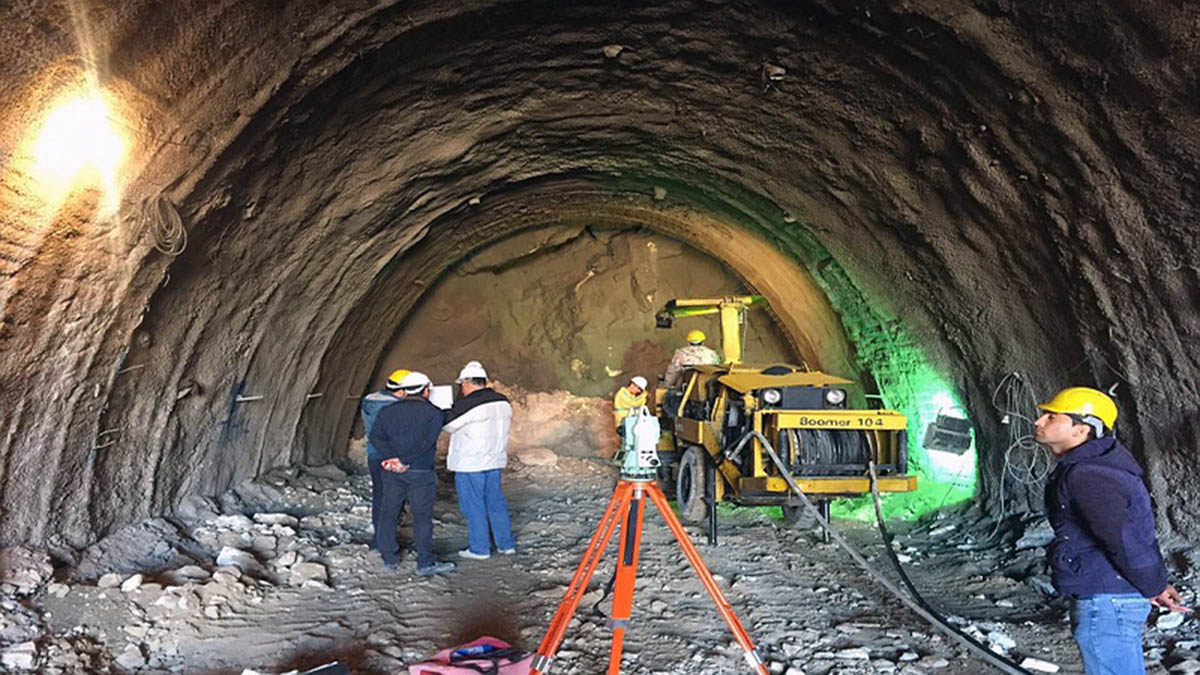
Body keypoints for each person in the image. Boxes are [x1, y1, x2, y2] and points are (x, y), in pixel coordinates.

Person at [1036, 386, 1189, 673]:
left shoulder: (1089, 475)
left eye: (1051, 417)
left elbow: (1123, 540)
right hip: (1114, 594)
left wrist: (1153, 585)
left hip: (1106, 600)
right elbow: (1132, 535)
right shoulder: (1097, 465)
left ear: (1081, 430)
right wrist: (1152, 584)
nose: (1039, 422)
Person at [369, 371, 456, 576]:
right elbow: (427, 442)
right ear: (426, 390)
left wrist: (393, 458)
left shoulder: (387, 411)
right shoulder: (433, 413)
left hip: (392, 472)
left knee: (388, 512)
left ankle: (389, 558)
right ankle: (425, 563)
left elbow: (376, 438)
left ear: (405, 391)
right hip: (420, 471)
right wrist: (405, 460)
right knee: (422, 517)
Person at [442, 361, 516, 560]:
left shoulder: (469, 404)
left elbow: (448, 425)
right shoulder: (503, 401)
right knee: (495, 502)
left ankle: (480, 549)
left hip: (471, 463)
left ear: (467, 382)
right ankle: (506, 544)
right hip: (494, 460)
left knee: (473, 504)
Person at [360, 368, 409, 551]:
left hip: (374, 455)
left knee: (379, 497)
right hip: (393, 457)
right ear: (403, 390)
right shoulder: (397, 407)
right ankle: (387, 544)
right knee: (393, 500)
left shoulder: (369, 400)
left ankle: (378, 539)